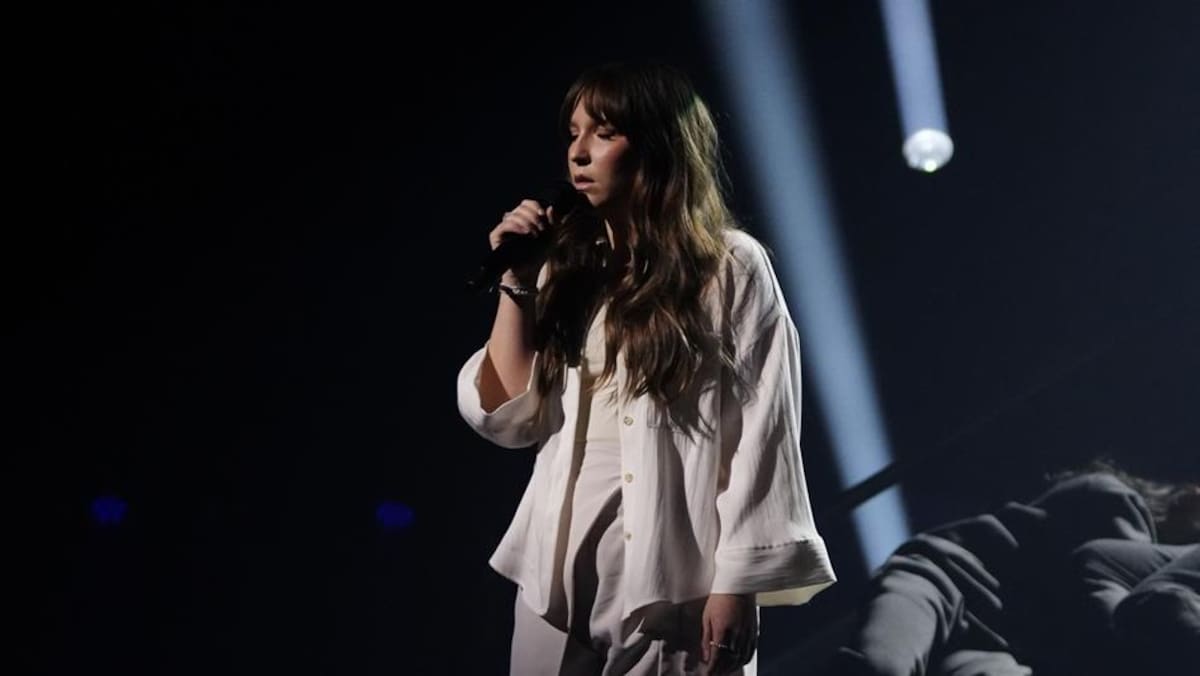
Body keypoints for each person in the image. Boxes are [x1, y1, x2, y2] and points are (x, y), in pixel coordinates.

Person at [456, 62, 836, 675]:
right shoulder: (567, 270)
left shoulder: (730, 267)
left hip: (676, 584)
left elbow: (763, 428)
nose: (578, 152)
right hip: (555, 580)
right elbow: (510, 417)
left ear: (659, 145)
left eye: (603, 133)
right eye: (573, 133)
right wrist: (516, 284)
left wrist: (737, 582)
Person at [829, 459, 1199, 676]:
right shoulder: (1114, 499)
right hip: (946, 584)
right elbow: (1099, 577)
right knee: (878, 666)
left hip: (1001, 643)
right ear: (1188, 500)